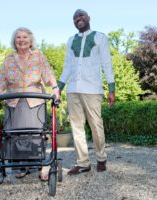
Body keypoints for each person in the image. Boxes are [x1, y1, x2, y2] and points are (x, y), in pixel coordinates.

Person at [0, 27, 60, 180]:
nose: (21, 40)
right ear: (14, 40)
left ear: (30, 41)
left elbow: (48, 74)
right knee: (16, 135)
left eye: (25, 37)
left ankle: (40, 165)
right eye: (18, 37)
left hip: (35, 100)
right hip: (14, 100)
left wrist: (55, 88)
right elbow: (1, 80)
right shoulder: (9, 59)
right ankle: (21, 166)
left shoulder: (38, 56)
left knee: (36, 134)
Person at [58, 9, 115, 175]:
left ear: (88, 18)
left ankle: (101, 158)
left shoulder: (100, 37)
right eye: (75, 17)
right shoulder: (70, 41)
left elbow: (106, 63)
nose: (78, 18)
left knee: (96, 125)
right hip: (73, 89)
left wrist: (111, 88)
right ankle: (83, 163)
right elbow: (67, 67)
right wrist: (59, 88)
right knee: (76, 128)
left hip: (92, 89)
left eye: (81, 15)